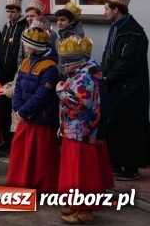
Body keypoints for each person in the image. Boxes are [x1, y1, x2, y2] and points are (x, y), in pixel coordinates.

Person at [57, 36, 114, 225]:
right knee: (74, 172)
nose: (63, 66)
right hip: (73, 130)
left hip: (81, 132)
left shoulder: (84, 77)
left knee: (82, 173)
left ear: (75, 61)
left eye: (66, 62)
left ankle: (84, 211)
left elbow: (81, 105)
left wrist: (61, 92)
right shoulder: (79, 74)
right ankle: (76, 204)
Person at [101, 0, 149, 181]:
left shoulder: (134, 33)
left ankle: (131, 168)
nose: (104, 12)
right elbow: (108, 54)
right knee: (116, 126)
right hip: (116, 86)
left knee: (129, 128)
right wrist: (102, 72)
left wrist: (108, 77)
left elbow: (126, 63)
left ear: (115, 10)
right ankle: (117, 163)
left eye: (106, 8)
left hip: (130, 89)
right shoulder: (116, 28)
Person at [5, 23, 60, 193]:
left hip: (41, 118)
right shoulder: (27, 62)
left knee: (40, 158)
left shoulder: (50, 66)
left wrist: (23, 111)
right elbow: (19, 86)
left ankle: (43, 189)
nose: (24, 45)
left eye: (26, 43)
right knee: (21, 154)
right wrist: (17, 108)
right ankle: (21, 186)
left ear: (33, 46)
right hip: (25, 117)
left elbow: (42, 94)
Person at [0, 0, 28, 153]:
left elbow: (18, 52)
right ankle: (5, 138)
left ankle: (12, 140)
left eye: (13, 11)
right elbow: (1, 47)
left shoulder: (23, 27)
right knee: (3, 108)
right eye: (8, 11)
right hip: (3, 73)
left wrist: (15, 72)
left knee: (13, 108)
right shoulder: (6, 27)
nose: (9, 14)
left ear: (19, 12)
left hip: (14, 73)